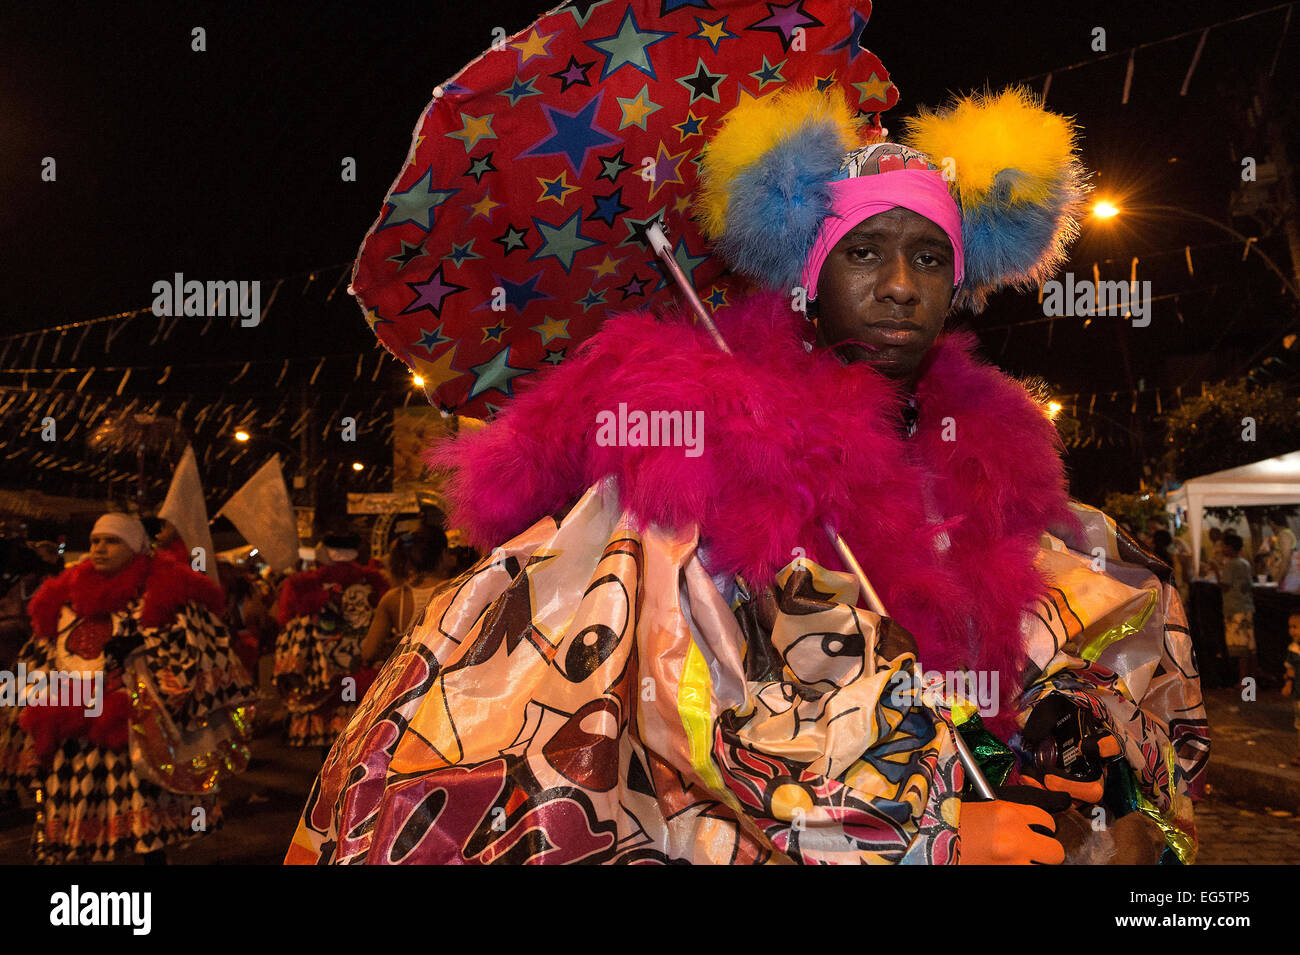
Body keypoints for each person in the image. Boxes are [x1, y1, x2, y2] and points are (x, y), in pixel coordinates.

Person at [288, 86, 1205, 865]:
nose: (899, 285)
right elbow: (692, 704)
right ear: (807, 276)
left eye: (928, 257)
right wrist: (933, 827)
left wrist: (1088, 748)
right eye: (864, 252)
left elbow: (1095, 632)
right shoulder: (711, 449)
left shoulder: (996, 460)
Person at [0, 513, 256, 863]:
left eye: (112, 540)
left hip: (134, 730)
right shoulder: (63, 598)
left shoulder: (165, 594)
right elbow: (37, 662)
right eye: (95, 541)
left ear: (135, 546)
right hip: (73, 730)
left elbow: (193, 660)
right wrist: (44, 700)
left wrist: (142, 652)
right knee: (75, 823)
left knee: (145, 828)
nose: (100, 548)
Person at [273, 532, 389, 753]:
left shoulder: (303, 583)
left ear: (325, 550)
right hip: (363, 666)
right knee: (364, 733)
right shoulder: (375, 581)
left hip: (323, 672)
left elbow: (284, 621)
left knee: (329, 745)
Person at [361, 528, 454, 667]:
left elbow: (369, 652)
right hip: (442, 679)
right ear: (443, 554)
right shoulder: (455, 589)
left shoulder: (393, 598)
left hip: (406, 681)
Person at [1212, 532, 1256, 682]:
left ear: (1230, 548)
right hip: (1247, 606)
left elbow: (1224, 585)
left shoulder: (1231, 564)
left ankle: (1244, 683)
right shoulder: (1245, 563)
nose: (1223, 548)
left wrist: (1216, 570)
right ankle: (1250, 682)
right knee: (1249, 648)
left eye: (1224, 546)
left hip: (1234, 609)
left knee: (1240, 648)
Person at [1282, 612, 1300, 766]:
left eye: (1296, 627)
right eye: (1290, 627)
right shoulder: (1293, 648)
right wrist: (1288, 684)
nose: (1292, 631)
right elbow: (1290, 670)